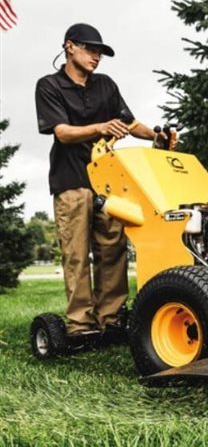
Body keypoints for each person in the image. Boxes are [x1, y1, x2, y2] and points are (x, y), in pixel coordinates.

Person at [35, 23, 157, 336]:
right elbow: (61, 133)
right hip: (71, 180)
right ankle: (80, 325)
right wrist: (101, 127)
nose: (96, 57)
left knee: (112, 251)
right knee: (76, 255)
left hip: (108, 182)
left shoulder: (106, 85)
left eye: (100, 52)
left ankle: (111, 320)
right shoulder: (49, 86)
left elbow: (130, 123)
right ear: (69, 46)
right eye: (90, 49)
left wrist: (157, 136)